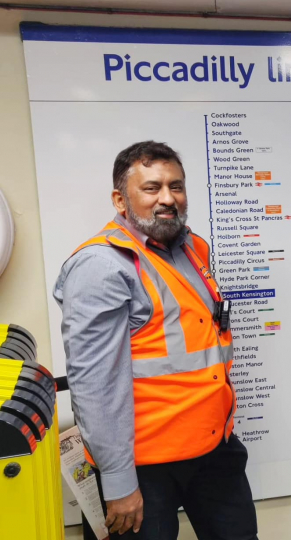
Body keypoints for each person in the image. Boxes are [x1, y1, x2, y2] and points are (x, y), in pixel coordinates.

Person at [54, 141, 258, 539]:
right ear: (120, 198)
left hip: (214, 450)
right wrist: (117, 481)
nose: (168, 198)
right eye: (152, 188)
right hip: (145, 468)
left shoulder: (192, 248)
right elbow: (96, 386)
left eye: (176, 186)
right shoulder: (101, 266)